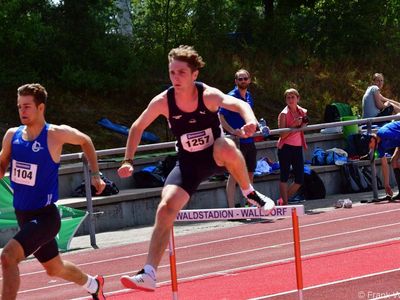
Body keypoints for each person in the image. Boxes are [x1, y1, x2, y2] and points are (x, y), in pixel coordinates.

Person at [117, 45, 275, 292]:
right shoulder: (163, 101)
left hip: (215, 155)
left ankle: (249, 192)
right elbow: (137, 127)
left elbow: (237, 104)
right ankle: (148, 273)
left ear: (194, 75)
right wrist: (128, 160)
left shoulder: (208, 95)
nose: (175, 78)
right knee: (165, 207)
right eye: (172, 72)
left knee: (226, 146)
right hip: (188, 164)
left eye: (181, 72)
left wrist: (251, 121)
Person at [0, 83, 106, 300]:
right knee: (54, 268)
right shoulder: (13, 135)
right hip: (23, 216)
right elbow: (2, 165)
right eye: (20, 107)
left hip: (45, 217)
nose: (22, 111)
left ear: (41, 108)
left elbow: (85, 140)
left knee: (8, 257)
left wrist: (95, 174)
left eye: (27, 106)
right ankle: (94, 285)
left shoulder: (55, 135)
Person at [219, 69, 263, 208]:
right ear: (236, 81)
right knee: (234, 175)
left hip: (249, 140)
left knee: (250, 173)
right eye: (240, 79)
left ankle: (250, 205)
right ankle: (232, 208)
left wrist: (259, 126)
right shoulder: (230, 97)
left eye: (245, 78)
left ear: (249, 80)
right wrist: (233, 131)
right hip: (236, 142)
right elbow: (220, 116)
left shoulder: (249, 96)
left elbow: (250, 114)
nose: (243, 81)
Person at [277, 88, 308, 206]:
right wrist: (292, 126)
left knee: (299, 179)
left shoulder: (302, 111)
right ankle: (284, 203)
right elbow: (282, 134)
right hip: (285, 147)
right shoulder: (283, 114)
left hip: (297, 146)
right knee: (284, 175)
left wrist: (302, 124)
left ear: (298, 98)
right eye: (288, 97)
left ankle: (282, 201)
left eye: (292, 97)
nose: (290, 100)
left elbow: (304, 126)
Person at [365, 120, 400, 201]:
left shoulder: (385, 133)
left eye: (370, 146)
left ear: (372, 140)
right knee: (394, 161)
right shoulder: (379, 146)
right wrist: (386, 185)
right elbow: (384, 165)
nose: (371, 149)